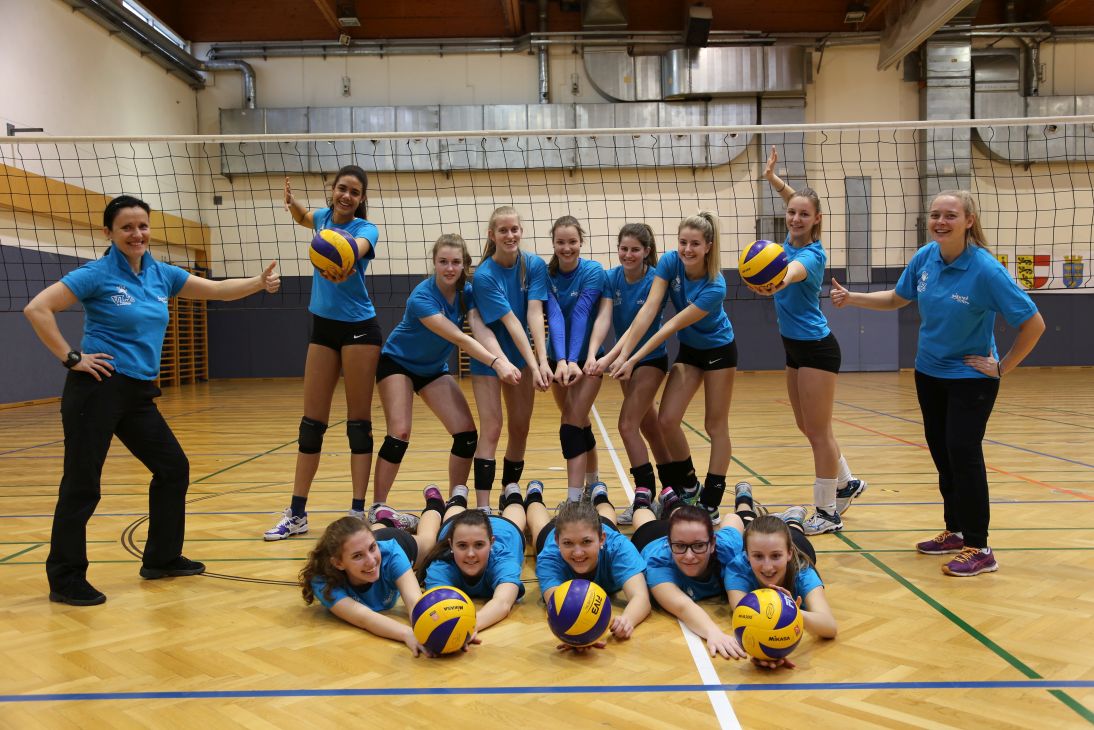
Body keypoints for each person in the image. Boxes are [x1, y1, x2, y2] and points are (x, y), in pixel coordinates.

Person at [23, 195, 281, 605]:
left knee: (173, 468)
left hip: (138, 393)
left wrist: (257, 283)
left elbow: (216, 290)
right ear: (108, 233)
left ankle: (161, 558)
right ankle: (66, 578)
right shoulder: (96, 274)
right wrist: (72, 358)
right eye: (126, 227)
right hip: (98, 388)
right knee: (82, 484)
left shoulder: (161, 274)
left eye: (142, 226)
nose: (137, 234)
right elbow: (37, 308)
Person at [831, 190, 1044, 577]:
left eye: (950, 215)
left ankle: (980, 546)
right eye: (935, 215)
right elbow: (897, 298)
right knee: (944, 455)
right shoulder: (925, 257)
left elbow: (1034, 323)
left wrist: (1002, 367)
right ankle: (956, 531)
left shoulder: (986, 270)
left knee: (963, 453)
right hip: (929, 373)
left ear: (968, 221)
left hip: (970, 378)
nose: (940, 222)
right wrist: (852, 297)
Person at [752, 145, 867, 535]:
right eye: (791, 212)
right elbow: (795, 198)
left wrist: (774, 281)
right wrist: (773, 179)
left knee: (819, 432)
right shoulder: (789, 238)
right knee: (806, 425)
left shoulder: (810, 257)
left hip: (817, 350)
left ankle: (827, 511)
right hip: (795, 348)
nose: (796, 218)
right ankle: (846, 482)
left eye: (804, 214)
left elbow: (791, 274)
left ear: (817, 219)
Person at [266, 166, 384, 540]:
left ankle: (358, 511)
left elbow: (355, 249)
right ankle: (297, 514)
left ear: (361, 199)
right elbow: (305, 217)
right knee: (311, 424)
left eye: (354, 192)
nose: (346, 196)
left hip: (360, 328)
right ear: (332, 190)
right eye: (341, 189)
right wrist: (292, 204)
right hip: (323, 326)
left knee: (358, 424)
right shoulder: (322, 218)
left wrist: (342, 258)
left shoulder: (366, 229)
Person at [369, 235, 521, 521]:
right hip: (398, 363)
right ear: (434, 263)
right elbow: (460, 338)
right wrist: (496, 363)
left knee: (466, 435)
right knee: (399, 432)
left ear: (465, 265)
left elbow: (476, 325)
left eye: (455, 262)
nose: (449, 268)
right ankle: (378, 505)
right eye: (443, 262)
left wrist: (502, 358)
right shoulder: (422, 298)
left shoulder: (467, 292)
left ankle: (456, 501)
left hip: (432, 369)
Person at [603, 212, 736, 525]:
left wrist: (630, 359)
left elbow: (670, 326)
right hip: (690, 351)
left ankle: (711, 499)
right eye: (683, 242)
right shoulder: (670, 263)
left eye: (695, 244)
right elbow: (649, 310)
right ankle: (688, 484)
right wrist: (622, 353)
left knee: (715, 425)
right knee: (666, 420)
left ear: (708, 246)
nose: (687, 249)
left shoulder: (715, 285)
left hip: (719, 351)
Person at [469, 206, 551, 510]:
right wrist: (531, 364)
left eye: (514, 229)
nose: (510, 235)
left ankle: (509, 489)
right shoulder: (484, 275)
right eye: (503, 230)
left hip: (521, 355)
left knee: (520, 427)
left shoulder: (534, 265)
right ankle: (483, 504)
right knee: (492, 427)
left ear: (521, 231)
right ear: (492, 235)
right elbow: (510, 322)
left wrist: (541, 361)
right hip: (489, 357)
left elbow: (534, 313)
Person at [299, 487, 446, 655]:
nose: (371, 561)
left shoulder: (391, 554)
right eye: (357, 556)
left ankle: (434, 504)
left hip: (395, 542)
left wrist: (434, 631)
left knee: (428, 541)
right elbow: (364, 618)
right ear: (338, 563)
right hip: (370, 539)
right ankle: (387, 520)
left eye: (372, 548)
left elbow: (415, 603)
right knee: (361, 540)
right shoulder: (323, 580)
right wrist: (408, 634)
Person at [590, 223, 672, 524]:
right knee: (650, 428)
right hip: (625, 360)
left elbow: (639, 324)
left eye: (635, 249)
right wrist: (597, 353)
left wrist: (611, 357)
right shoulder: (612, 278)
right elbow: (604, 317)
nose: (628, 254)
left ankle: (644, 494)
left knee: (627, 425)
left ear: (647, 251)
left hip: (650, 358)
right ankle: (672, 490)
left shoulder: (655, 279)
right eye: (623, 249)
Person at [527, 481, 651, 649]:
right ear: (558, 541)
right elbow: (558, 608)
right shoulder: (550, 558)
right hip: (555, 531)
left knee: (608, 519)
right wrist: (575, 633)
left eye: (586, 542)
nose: (578, 553)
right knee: (538, 529)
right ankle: (534, 496)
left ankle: (600, 496)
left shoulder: (619, 548)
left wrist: (627, 620)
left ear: (602, 539)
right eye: (568, 543)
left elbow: (641, 597)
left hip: (598, 526)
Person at [545, 216, 610, 503]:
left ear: (581, 242)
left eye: (572, 241)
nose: (567, 247)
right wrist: (561, 360)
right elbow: (555, 316)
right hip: (556, 359)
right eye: (561, 242)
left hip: (588, 361)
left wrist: (574, 360)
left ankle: (574, 500)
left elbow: (582, 312)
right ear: (553, 243)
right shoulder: (546, 274)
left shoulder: (593, 271)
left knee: (571, 423)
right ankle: (593, 486)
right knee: (580, 422)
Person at [630, 503, 749, 660]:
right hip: (650, 536)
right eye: (680, 547)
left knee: (683, 515)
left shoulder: (726, 547)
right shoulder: (658, 565)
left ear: (713, 544)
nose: (689, 556)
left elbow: (733, 518)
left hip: (681, 533)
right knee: (645, 520)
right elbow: (683, 607)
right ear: (669, 544)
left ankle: (672, 502)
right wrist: (713, 633)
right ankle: (643, 503)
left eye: (699, 545)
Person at [726, 515, 837, 669]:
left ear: (789, 553)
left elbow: (830, 627)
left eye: (776, 556)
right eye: (758, 556)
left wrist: (792, 612)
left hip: (800, 544)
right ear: (747, 555)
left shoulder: (803, 573)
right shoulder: (737, 569)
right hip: (779, 543)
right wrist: (762, 651)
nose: (767, 566)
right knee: (746, 517)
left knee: (794, 529)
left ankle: (794, 519)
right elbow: (743, 617)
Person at [416, 482, 528, 632]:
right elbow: (439, 607)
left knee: (516, 518)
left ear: (491, 543)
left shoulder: (503, 560)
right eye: (462, 546)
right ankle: (457, 496)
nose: (470, 554)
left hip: (506, 529)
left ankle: (514, 495)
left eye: (479, 545)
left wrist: (469, 627)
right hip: (457, 526)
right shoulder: (441, 567)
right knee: (451, 518)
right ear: (451, 545)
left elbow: (503, 603)